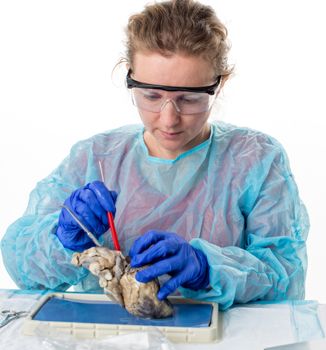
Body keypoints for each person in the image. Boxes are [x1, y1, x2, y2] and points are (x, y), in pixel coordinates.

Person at [0, 0, 309, 310]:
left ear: (219, 84)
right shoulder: (95, 158)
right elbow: (21, 265)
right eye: (151, 96)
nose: (169, 119)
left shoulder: (255, 160)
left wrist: (207, 268)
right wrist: (63, 240)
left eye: (189, 98)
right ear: (129, 76)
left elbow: (284, 274)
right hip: (107, 337)